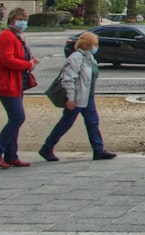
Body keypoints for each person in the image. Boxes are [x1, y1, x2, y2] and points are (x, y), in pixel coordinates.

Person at [38, 31, 116, 162]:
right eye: (95, 44)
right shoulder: (76, 58)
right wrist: (71, 98)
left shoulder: (89, 58)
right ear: (88, 45)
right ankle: (47, 147)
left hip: (87, 96)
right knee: (66, 123)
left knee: (92, 122)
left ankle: (98, 150)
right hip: (77, 97)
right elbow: (68, 79)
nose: (96, 47)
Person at [0, 8, 39, 169]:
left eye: (24, 18)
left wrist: (30, 61)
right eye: (19, 19)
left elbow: (17, 56)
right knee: (17, 118)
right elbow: (7, 60)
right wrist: (27, 64)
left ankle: (11, 155)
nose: (23, 21)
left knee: (15, 119)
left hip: (16, 83)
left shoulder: (16, 36)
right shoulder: (7, 36)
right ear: (11, 20)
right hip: (7, 83)